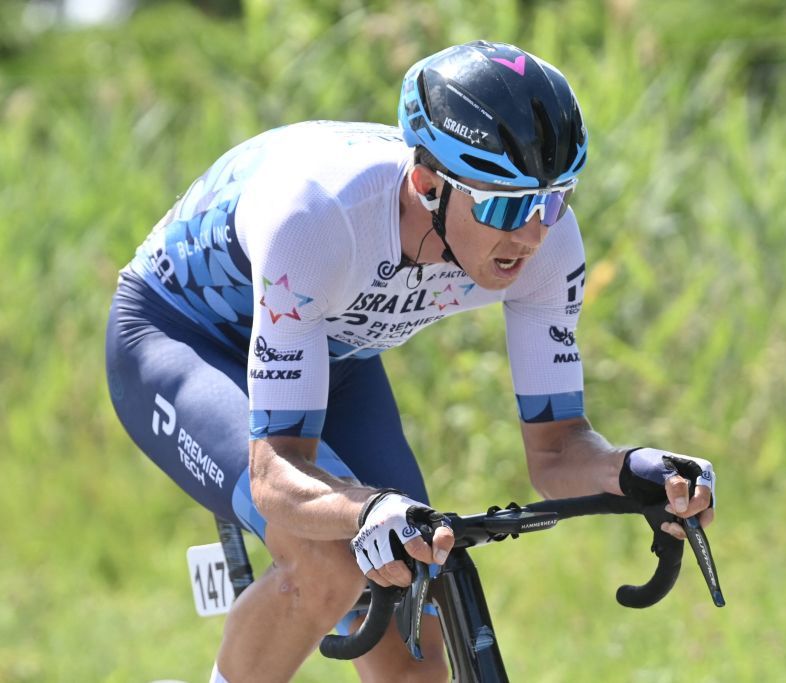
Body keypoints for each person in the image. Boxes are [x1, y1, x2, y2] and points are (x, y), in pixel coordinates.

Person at [105, 40, 717, 683]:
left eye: (553, 198)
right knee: (330, 561)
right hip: (182, 334)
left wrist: (635, 471)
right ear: (426, 184)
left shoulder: (547, 240)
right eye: (505, 206)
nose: (532, 234)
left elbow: (559, 452)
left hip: (331, 349)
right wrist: (365, 510)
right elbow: (276, 474)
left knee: (418, 616)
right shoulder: (320, 217)